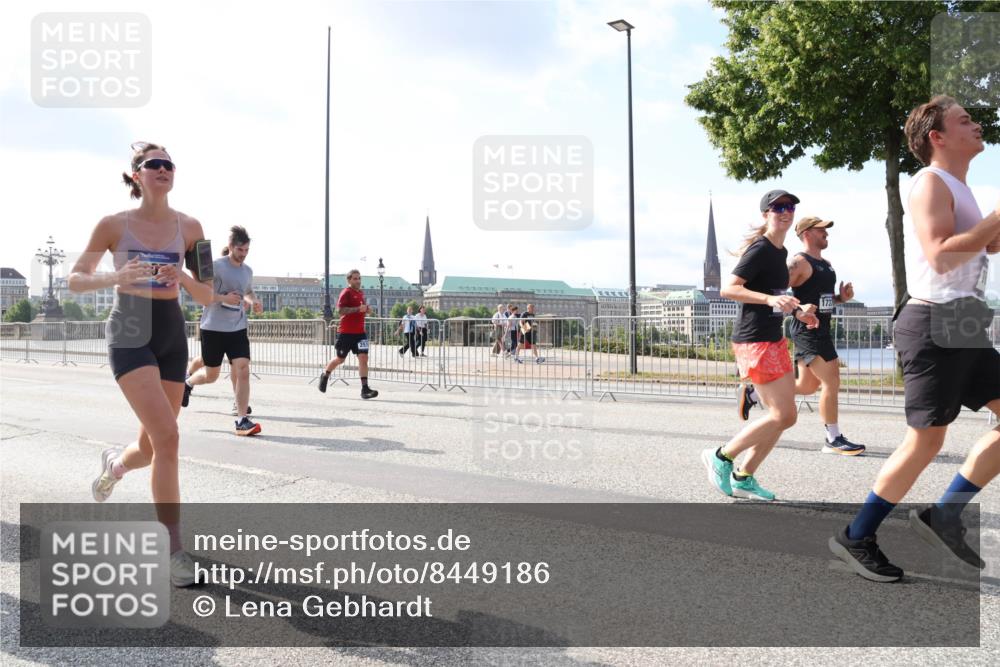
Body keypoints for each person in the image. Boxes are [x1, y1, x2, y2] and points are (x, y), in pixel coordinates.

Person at [830, 96, 1000, 582]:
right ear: (937, 137)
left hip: (965, 323)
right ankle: (856, 534)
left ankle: (945, 513)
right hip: (932, 323)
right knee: (925, 442)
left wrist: (995, 227)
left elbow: (981, 244)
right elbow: (941, 255)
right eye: (965, 120)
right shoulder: (928, 183)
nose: (977, 124)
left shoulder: (960, 187)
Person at [69, 141, 215, 587]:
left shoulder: (191, 227)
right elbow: (75, 280)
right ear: (136, 175)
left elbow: (208, 295)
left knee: (152, 447)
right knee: (169, 436)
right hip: (130, 329)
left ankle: (115, 465)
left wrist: (184, 277)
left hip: (171, 330)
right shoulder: (113, 224)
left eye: (169, 164)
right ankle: (172, 551)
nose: (164, 169)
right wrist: (118, 275)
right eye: (154, 163)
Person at [701, 189, 819, 501]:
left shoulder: (781, 253)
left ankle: (744, 475)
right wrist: (769, 298)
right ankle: (721, 457)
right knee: (782, 415)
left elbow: (776, 297)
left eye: (790, 207)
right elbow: (729, 289)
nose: (786, 211)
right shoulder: (760, 249)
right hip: (754, 340)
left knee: (787, 415)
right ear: (766, 213)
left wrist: (798, 312)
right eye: (778, 207)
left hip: (773, 337)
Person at [784, 216, 865, 455]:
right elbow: (777, 293)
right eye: (822, 230)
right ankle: (833, 438)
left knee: (807, 386)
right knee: (832, 381)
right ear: (807, 233)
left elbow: (824, 300)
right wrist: (798, 311)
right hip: (808, 330)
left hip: (822, 328)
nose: (826, 234)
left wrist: (842, 298)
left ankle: (755, 392)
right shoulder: (799, 262)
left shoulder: (826, 264)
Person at [181, 226, 262, 436]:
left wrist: (253, 301)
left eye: (247, 250)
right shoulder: (215, 266)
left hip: (237, 327)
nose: (243, 255)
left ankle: (242, 419)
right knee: (211, 375)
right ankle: (187, 383)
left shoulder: (247, 271)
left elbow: (248, 290)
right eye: (240, 250)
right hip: (213, 327)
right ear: (231, 247)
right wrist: (224, 298)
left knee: (243, 369)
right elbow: (201, 293)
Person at [318, 269, 379, 399]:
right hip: (346, 333)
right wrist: (358, 309)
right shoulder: (346, 292)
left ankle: (365, 389)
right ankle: (325, 374)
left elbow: (362, 309)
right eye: (355, 278)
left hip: (360, 333)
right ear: (349, 280)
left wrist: (367, 310)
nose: (358, 281)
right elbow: (340, 311)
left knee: (363, 358)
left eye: (359, 278)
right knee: (340, 359)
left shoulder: (361, 293)